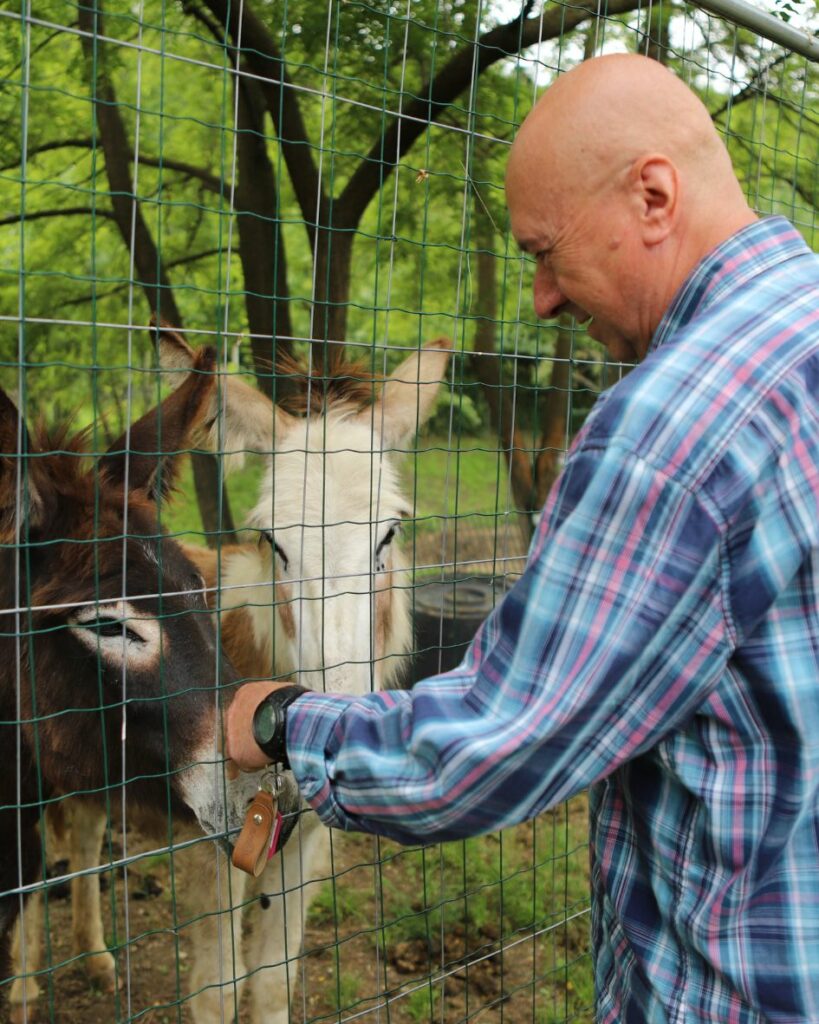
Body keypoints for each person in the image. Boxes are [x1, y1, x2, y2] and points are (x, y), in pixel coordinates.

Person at [226, 53, 819, 1022]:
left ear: (655, 197)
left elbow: (502, 741)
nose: (542, 295)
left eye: (546, 250)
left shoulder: (669, 429)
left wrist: (284, 720)